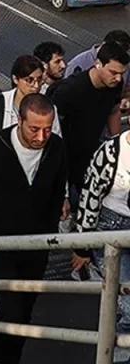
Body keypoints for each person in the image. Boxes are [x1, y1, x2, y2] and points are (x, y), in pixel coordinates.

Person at [0, 94, 68, 364]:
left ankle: (9, 358)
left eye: (47, 128)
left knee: (25, 312)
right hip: (0, 244)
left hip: (36, 245)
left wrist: (49, 229)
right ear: (19, 120)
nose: (41, 136)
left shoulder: (56, 147)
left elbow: (57, 190)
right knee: (11, 310)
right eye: (34, 129)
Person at [50, 41, 128, 224]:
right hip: (65, 155)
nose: (118, 78)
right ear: (98, 64)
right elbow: (53, 125)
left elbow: (114, 111)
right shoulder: (70, 90)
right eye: (113, 72)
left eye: (121, 73)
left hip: (90, 153)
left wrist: (116, 144)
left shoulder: (115, 85)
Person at [72, 122, 130, 364]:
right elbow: (89, 195)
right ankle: (118, 356)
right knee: (126, 301)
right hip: (111, 227)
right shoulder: (110, 151)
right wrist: (83, 246)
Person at [0, 55, 61, 151]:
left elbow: (55, 143)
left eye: (39, 80)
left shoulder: (49, 109)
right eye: (29, 80)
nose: (36, 86)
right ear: (15, 79)